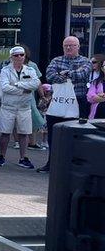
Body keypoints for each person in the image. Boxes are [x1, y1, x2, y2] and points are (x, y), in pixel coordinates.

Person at [38, 36, 93, 173]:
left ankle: (72, 166)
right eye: (66, 45)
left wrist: (64, 73)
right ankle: (51, 164)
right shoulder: (56, 60)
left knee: (76, 136)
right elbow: (50, 75)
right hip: (58, 102)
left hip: (78, 102)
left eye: (72, 45)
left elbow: (83, 74)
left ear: (78, 47)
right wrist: (69, 75)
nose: (69, 48)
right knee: (54, 135)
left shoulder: (85, 61)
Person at [0, 46, 41, 169]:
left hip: (24, 107)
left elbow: (36, 83)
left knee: (24, 133)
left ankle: (23, 157)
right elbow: (4, 87)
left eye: (21, 55)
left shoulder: (30, 70)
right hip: (8, 106)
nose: (19, 57)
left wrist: (17, 84)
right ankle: (1, 156)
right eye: (16, 55)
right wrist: (23, 90)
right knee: (5, 133)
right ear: (11, 57)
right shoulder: (5, 70)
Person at [86, 54, 105, 119]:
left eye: (94, 62)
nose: (91, 64)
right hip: (97, 113)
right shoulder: (96, 81)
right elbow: (90, 96)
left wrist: (101, 96)